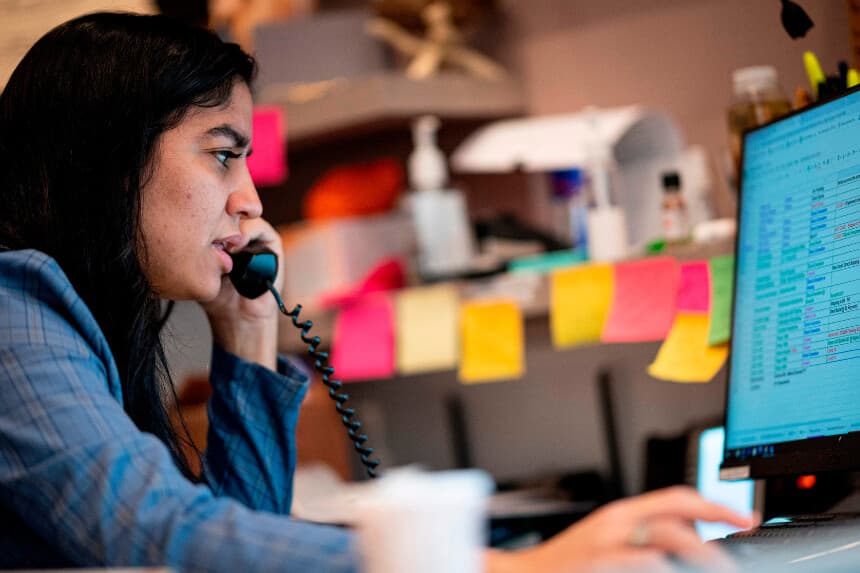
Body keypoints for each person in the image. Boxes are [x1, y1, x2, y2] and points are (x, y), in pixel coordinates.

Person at [0, 12, 750, 572]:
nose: (251, 201)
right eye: (223, 157)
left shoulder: (75, 324)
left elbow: (223, 539)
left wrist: (250, 333)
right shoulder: (12, 305)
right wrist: (505, 567)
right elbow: (153, 529)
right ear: (109, 162)